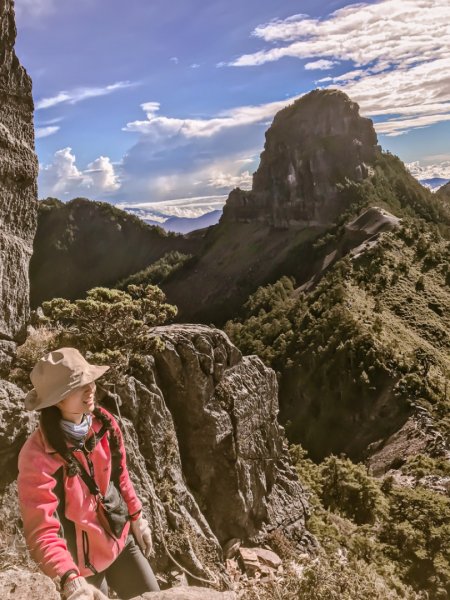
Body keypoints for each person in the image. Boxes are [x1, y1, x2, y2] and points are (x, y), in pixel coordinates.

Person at [17, 347, 161, 600]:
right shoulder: (37, 456)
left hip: (119, 539)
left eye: (90, 380)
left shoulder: (103, 424)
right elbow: (42, 529)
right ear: (56, 400)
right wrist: (70, 581)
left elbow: (120, 476)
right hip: (80, 565)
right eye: (78, 385)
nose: (91, 388)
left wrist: (137, 517)